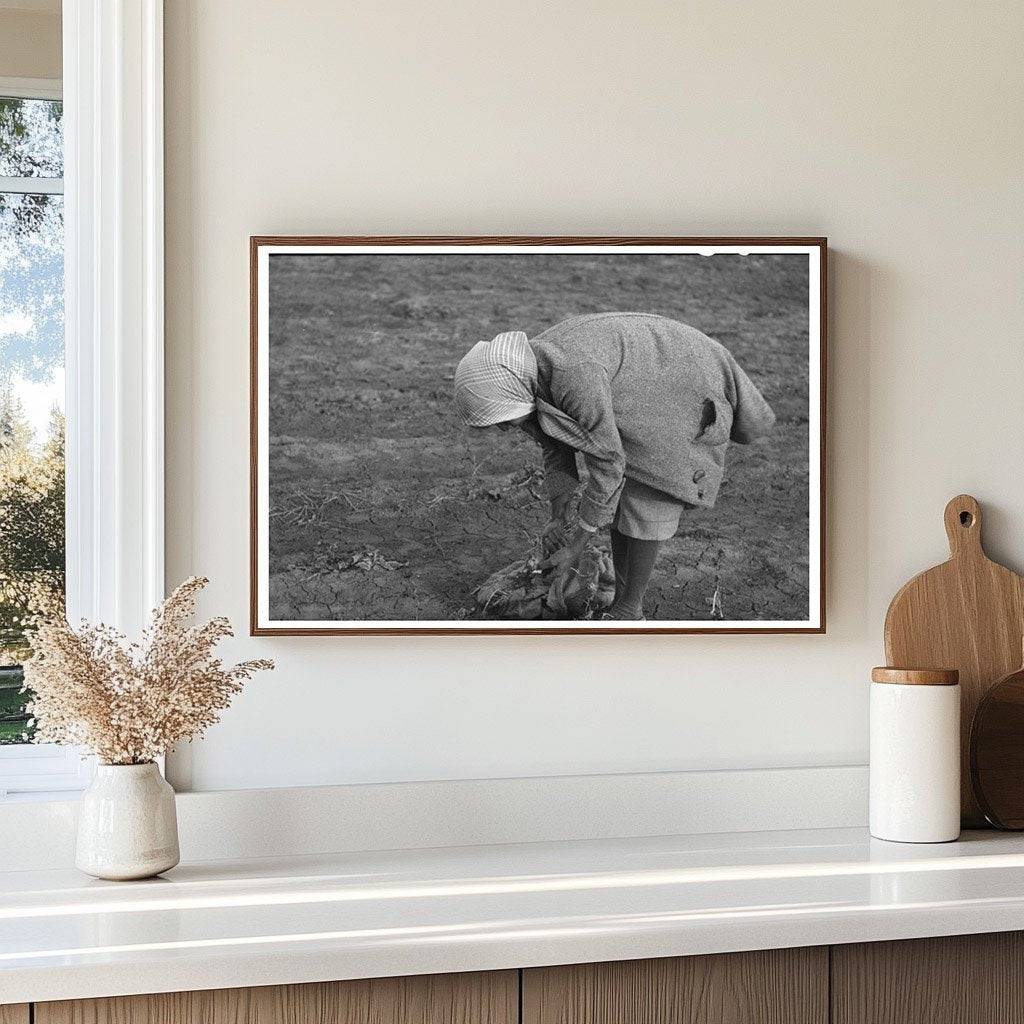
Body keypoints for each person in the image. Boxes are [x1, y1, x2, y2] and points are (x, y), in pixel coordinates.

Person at [453, 313, 776, 620]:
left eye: (503, 420)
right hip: (652, 376)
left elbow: (608, 462)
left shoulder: (572, 374)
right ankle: (623, 600)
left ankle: (629, 610)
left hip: (683, 379)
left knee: (647, 496)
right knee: (622, 506)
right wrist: (559, 517)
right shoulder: (526, 371)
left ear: (511, 391)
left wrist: (579, 543)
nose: (504, 429)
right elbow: (555, 443)